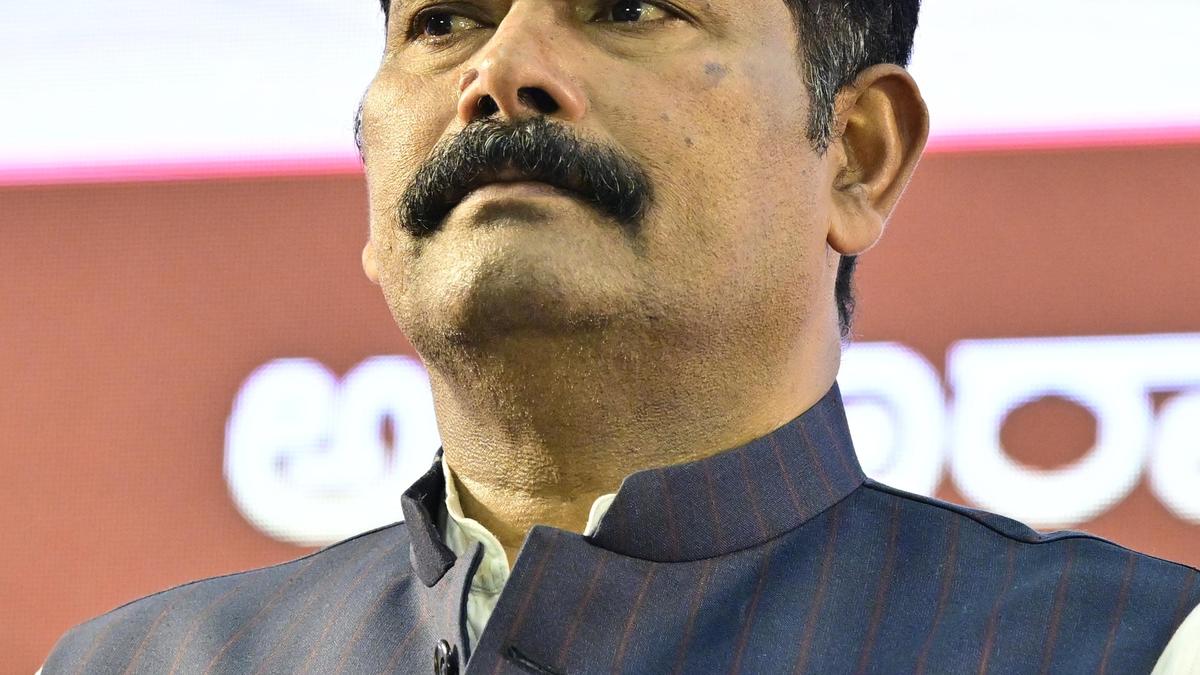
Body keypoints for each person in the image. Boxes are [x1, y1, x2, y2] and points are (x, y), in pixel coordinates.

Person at [40, 0, 1200, 672]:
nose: (500, 72)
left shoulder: (1138, 651)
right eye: (442, 21)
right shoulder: (132, 666)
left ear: (856, 154)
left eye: (628, 7)